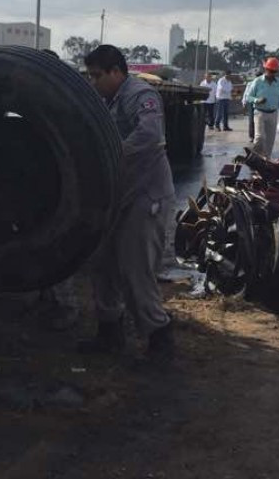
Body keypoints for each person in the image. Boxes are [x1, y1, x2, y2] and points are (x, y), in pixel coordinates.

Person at [81, 45, 174, 357]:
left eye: (97, 76)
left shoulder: (140, 94)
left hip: (146, 196)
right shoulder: (107, 100)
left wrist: (112, 151)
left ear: (116, 72)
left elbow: (150, 134)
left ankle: (159, 337)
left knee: (135, 270)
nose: (92, 82)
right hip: (121, 195)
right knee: (103, 263)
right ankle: (109, 332)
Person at [245, 58, 279, 157]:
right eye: (271, 71)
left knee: (270, 141)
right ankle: (255, 158)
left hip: (273, 113)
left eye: (274, 71)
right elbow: (248, 97)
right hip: (260, 112)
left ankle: (266, 161)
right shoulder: (257, 81)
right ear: (266, 69)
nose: (272, 73)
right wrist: (256, 100)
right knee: (260, 138)